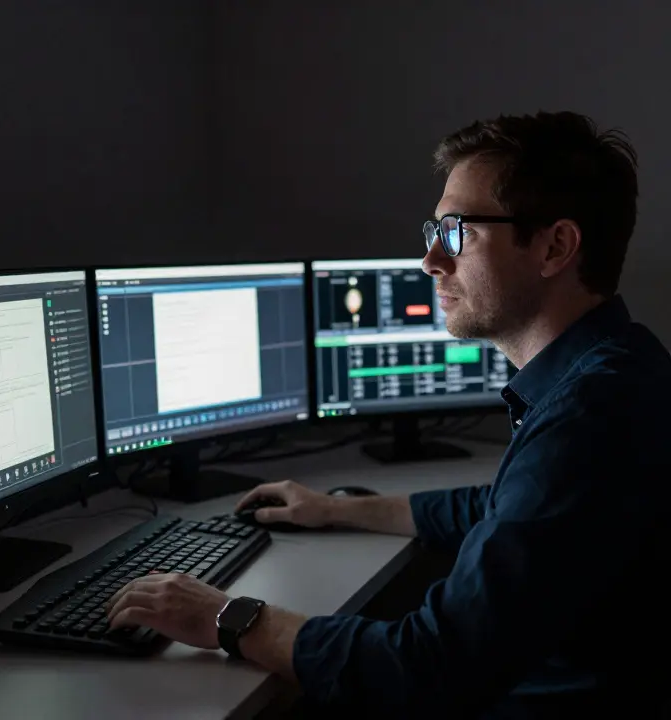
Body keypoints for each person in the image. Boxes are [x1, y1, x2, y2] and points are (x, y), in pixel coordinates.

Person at [104, 111, 671, 718]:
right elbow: (512, 511)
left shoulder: (590, 415)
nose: (431, 259)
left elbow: (428, 666)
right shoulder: (619, 367)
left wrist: (227, 615)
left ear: (555, 246)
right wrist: (338, 508)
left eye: (457, 231)